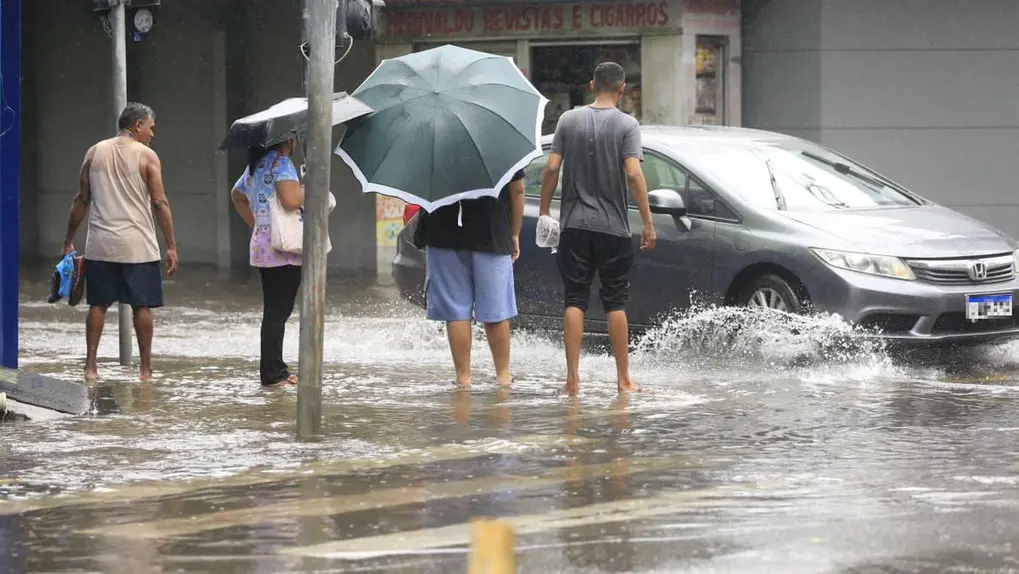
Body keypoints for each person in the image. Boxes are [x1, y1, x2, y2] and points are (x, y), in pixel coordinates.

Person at [539, 62, 657, 396]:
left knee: (574, 298)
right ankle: (623, 380)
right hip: (613, 228)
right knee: (615, 302)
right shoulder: (627, 126)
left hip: (574, 225)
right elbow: (634, 175)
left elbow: (551, 169)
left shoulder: (568, 120)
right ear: (622, 89)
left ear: (592, 85)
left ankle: (572, 380)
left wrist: (546, 211)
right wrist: (647, 223)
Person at [62, 102, 178, 382]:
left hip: (100, 244)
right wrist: (171, 245)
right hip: (137, 245)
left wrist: (68, 241)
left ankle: (90, 367)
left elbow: (81, 201)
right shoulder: (147, 155)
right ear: (138, 126)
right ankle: (145, 371)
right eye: (150, 128)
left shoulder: (94, 152)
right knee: (142, 306)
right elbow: (160, 203)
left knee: (98, 304)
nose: (152, 134)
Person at [415, 171, 526, 389]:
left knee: (456, 311)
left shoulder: (434, 142)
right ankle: (503, 377)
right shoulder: (500, 141)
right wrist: (514, 233)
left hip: (443, 231)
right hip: (492, 230)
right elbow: (518, 189)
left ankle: (463, 379)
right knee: (496, 310)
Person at [230, 138, 304, 386]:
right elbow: (291, 200)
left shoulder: (256, 165)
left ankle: (276, 370)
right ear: (288, 140)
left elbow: (237, 195)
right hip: (284, 248)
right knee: (278, 313)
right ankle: (273, 374)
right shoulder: (281, 163)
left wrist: (259, 223)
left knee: (273, 310)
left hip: (264, 245)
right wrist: (311, 186)